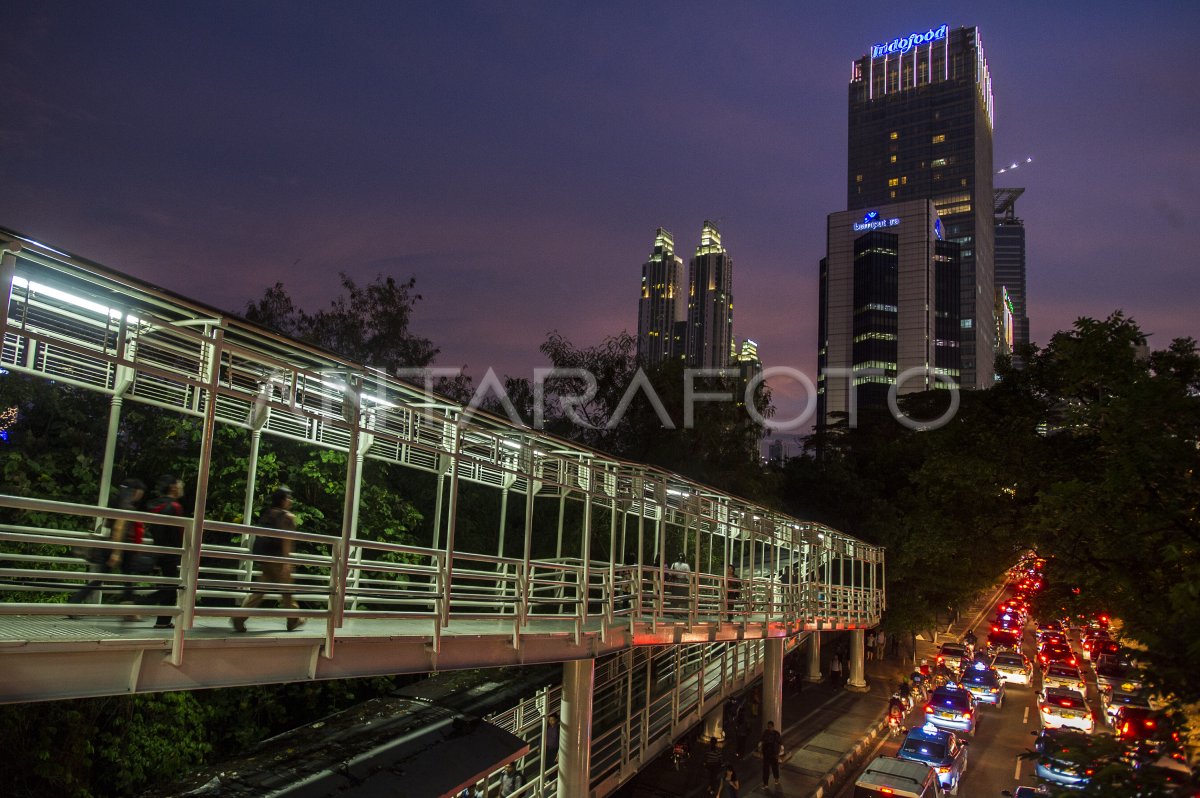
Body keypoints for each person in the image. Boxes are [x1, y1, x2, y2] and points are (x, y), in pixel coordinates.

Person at [69, 479, 147, 614]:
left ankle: (74, 603)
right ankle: (73, 604)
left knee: (122, 579)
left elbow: (108, 525)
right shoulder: (127, 506)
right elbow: (119, 527)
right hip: (121, 547)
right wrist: (116, 552)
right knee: (125, 579)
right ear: (135, 491)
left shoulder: (116, 503)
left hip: (115, 545)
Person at [234, 486, 304, 632]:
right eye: (289, 497)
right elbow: (287, 540)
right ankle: (294, 619)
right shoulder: (287, 517)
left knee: (259, 591)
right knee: (287, 591)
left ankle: (239, 617)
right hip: (278, 559)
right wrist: (287, 562)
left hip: (266, 558)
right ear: (283, 500)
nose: (291, 501)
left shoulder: (269, 513)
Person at [146, 474, 185, 629]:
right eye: (180, 483)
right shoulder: (174, 507)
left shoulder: (156, 505)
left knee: (170, 586)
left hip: (158, 549)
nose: (181, 487)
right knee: (172, 586)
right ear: (173, 487)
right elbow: (178, 533)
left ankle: (163, 621)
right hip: (172, 552)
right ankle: (140, 603)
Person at [760, 720, 783, 788]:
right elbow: (762, 740)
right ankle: (765, 784)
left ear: (773, 727)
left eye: (770, 727)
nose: (769, 728)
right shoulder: (765, 733)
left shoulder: (776, 734)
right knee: (766, 769)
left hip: (774, 754)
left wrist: (780, 752)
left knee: (774, 768)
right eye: (768, 727)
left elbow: (780, 742)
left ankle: (776, 779)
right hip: (767, 754)